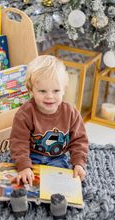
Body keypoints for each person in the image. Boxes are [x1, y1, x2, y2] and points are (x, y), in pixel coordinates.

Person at [10, 55, 88, 186]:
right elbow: (18, 142)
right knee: (25, 180)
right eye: (42, 91)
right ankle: (22, 199)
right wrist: (24, 166)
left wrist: (78, 163)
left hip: (57, 157)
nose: (50, 96)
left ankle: (58, 201)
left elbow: (79, 141)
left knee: (60, 183)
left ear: (64, 89)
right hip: (31, 155)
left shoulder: (71, 113)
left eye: (56, 90)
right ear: (31, 90)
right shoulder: (24, 114)